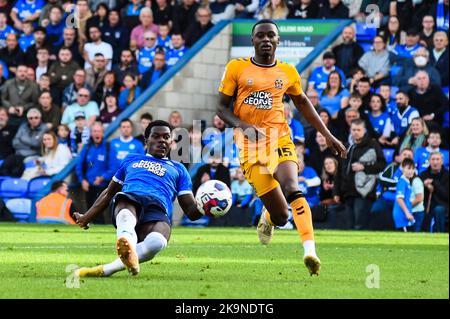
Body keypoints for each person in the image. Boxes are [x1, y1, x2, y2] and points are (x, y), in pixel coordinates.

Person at [216, 20, 347, 275]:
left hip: (278, 139)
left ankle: (310, 251)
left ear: (278, 41)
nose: (266, 39)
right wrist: (242, 125)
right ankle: (269, 216)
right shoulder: (237, 68)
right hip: (249, 148)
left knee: (292, 187)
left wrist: (327, 134)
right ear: (253, 41)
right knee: (281, 217)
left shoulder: (287, 72)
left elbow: (303, 102)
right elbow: (221, 108)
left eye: (271, 35)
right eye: (260, 36)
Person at [73, 120, 205, 277]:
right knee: (125, 209)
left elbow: (191, 211)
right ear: (146, 140)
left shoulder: (179, 169)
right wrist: (86, 217)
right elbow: (109, 192)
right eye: (156, 136)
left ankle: (107, 269)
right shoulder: (131, 159)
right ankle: (126, 239)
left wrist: (205, 206)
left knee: (158, 242)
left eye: (166, 137)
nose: (162, 140)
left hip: (158, 209)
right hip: (131, 199)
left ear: (171, 142)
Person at [334, 119, 386, 230]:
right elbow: (339, 171)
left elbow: (382, 164)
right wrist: (336, 192)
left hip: (363, 192)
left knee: (360, 224)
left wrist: (364, 167)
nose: (356, 132)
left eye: (358, 129)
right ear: (350, 130)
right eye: (353, 129)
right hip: (347, 192)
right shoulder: (347, 146)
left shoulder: (372, 145)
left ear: (364, 130)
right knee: (349, 225)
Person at [75, 122, 116, 224]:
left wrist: (103, 177)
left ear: (102, 133)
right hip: (89, 186)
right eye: (94, 131)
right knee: (91, 211)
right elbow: (79, 165)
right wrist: (82, 180)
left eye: (99, 131)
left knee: (101, 212)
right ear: (91, 134)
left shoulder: (108, 147)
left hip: (105, 186)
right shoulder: (87, 147)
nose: (96, 133)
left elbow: (114, 167)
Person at [420, 152, 449, 233]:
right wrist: (424, 185)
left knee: (439, 210)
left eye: (437, 159)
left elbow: (446, 195)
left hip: (443, 205)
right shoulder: (423, 174)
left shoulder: (447, 175)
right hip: (426, 204)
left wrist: (434, 183)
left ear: (442, 161)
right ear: (429, 161)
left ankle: (440, 234)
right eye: (433, 159)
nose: (435, 162)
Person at [393, 158, 416, 231]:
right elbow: (399, 199)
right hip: (402, 214)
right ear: (402, 168)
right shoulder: (402, 182)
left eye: (413, 168)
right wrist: (407, 213)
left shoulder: (407, 181)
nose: (411, 171)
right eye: (408, 168)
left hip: (405, 214)